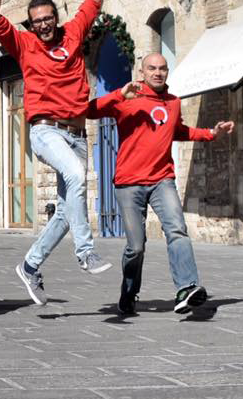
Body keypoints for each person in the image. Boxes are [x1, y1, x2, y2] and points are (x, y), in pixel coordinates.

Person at [0, 0, 112, 304]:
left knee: (64, 211)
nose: (42, 24)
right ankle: (85, 252)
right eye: (36, 20)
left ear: (55, 18)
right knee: (76, 176)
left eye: (47, 18)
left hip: (77, 134)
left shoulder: (73, 33)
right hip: (45, 131)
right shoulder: (24, 44)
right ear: (31, 24)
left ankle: (29, 265)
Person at [87, 54, 232, 315]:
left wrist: (211, 133)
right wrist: (118, 94)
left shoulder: (173, 102)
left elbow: (178, 131)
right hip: (128, 183)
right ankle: (129, 291)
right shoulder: (127, 98)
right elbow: (89, 110)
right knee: (136, 247)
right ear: (141, 72)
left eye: (162, 68)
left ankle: (186, 288)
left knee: (177, 230)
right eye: (152, 68)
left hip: (162, 179)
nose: (158, 73)